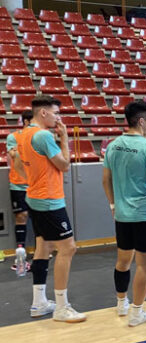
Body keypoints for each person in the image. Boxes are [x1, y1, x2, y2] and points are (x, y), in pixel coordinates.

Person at [102, 100, 146, 327]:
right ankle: (137, 313)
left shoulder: (112, 146)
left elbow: (106, 179)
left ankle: (121, 304)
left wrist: (113, 205)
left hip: (122, 215)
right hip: (145, 215)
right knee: (144, 266)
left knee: (123, 261)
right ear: (141, 121)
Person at [16, 95, 85, 322]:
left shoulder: (24, 133)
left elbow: (17, 164)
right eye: (56, 113)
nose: (58, 118)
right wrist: (65, 139)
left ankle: (39, 303)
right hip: (49, 201)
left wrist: (34, 179)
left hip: (35, 197)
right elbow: (64, 165)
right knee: (68, 249)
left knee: (42, 248)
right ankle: (62, 307)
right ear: (43, 113)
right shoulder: (44, 135)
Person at [5, 110, 32, 268]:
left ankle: (41, 255)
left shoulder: (40, 137)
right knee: (21, 217)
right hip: (18, 184)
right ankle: (20, 255)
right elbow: (14, 154)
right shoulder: (13, 137)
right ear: (26, 122)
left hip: (37, 184)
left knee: (39, 218)